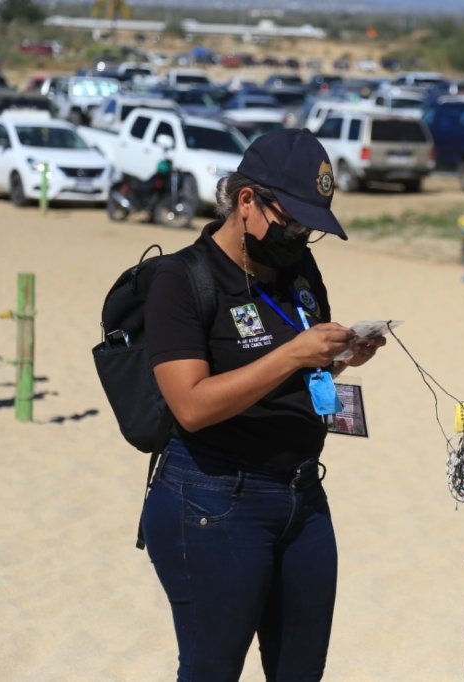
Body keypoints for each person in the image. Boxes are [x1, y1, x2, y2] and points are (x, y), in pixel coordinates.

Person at [141, 128, 385, 681]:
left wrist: (342, 358)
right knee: (212, 669)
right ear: (246, 201)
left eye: (310, 227)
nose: (299, 237)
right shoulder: (181, 280)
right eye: (292, 221)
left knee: (300, 671)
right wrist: (297, 353)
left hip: (301, 492)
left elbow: (299, 372)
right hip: (213, 499)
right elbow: (192, 407)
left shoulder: (297, 268)